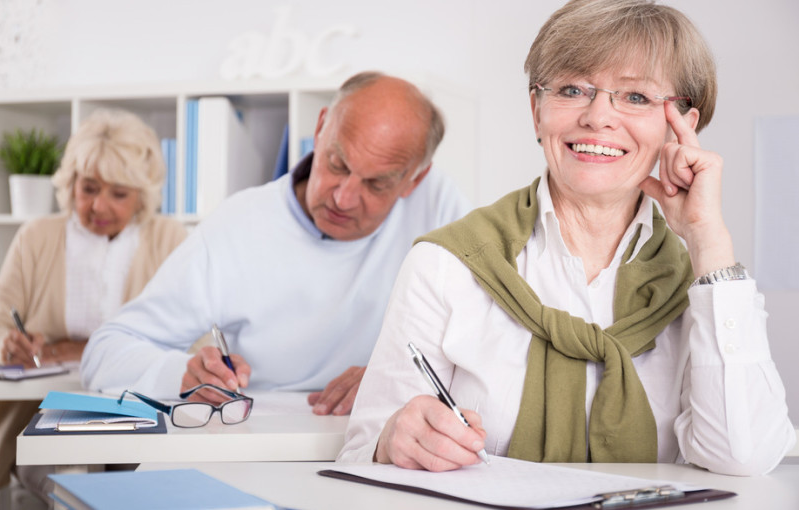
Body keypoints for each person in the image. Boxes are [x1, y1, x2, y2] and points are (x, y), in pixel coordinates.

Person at [338, 0, 795, 476]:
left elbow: (742, 458)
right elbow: (360, 452)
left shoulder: (702, 288)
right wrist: (392, 439)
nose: (599, 117)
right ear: (537, 112)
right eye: (573, 89)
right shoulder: (446, 264)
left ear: (680, 126)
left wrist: (709, 242)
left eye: (636, 97)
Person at [80, 71, 472, 415]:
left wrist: (396, 377)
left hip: (382, 440)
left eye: (376, 183)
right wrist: (183, 373)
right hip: (265, 439)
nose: (343, 197)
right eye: (337, 164)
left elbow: (486, 339)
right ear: (320, 129)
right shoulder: (238, 225)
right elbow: (106, 351)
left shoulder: (437, 203)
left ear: (413, 181)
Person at [0, 108, 187, 509]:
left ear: (142, 194)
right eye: (88, 188)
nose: (98, 206)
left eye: (118, 194)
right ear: (70, 183)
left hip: (143, 414)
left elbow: (189, 341)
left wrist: (65, 350)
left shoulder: (169, 239)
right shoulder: (37, 238)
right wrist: (5, 344)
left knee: (149, 483)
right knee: (73, 481)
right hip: (45, 413)